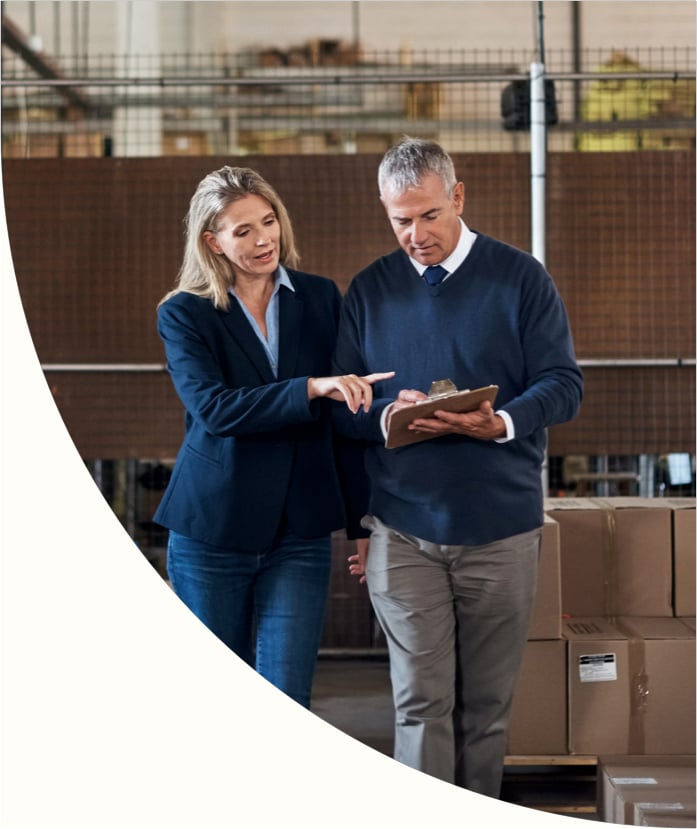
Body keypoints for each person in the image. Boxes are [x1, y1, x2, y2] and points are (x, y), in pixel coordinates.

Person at [332, 137, 583, 796]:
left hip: (500, 530)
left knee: (485, 712)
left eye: (428, 215)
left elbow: (562, 383)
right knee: (419, 704)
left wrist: (497, 421)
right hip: (403, 531)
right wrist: (386, 412)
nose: (414, 234)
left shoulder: (520, 278)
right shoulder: (368, 291)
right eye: (399, 219)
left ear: (458, 198)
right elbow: (340, 406)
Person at [153, 165, 392, 708]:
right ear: (212, 242)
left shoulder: (320, 297)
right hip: (212, 531)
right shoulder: (185, 313)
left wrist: (362, 522)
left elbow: (343, 420)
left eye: (269, 222)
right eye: (243, 231)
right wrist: (310, 387)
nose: (263, 240)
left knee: (289, 698)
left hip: (299, 533)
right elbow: (216, 410)